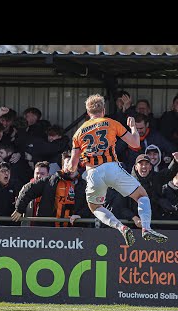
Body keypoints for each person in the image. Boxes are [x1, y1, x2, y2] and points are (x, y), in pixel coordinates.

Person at [66, 93, 168, 246]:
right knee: (141, 196)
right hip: (112, 168)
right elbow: (134, 143)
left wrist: (69, 165)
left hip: (93, 173)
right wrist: (133, 128)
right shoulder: (111, 123)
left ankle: (121, 227)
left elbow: (73, 166)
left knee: (95, 207)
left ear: (88, 113)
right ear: (104, 110)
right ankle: (146, 228)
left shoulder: (78, 133)